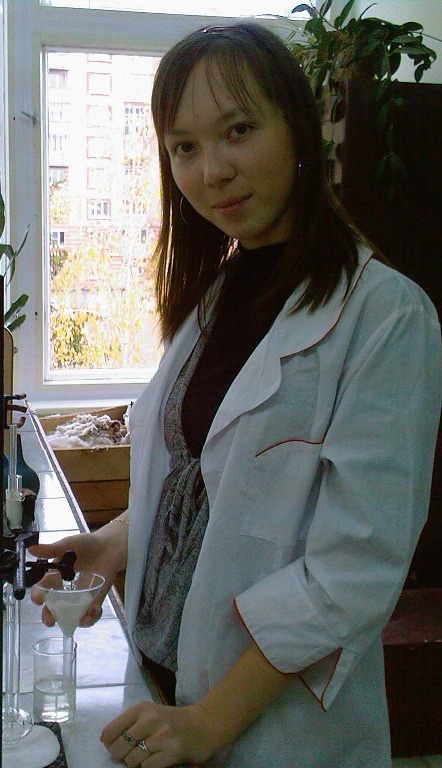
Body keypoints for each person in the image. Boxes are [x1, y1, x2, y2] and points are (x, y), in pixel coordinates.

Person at [30, 21, 442, 768]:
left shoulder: (386, 316)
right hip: (161, 689)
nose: (212, 170)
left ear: (298, 129)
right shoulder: (216, 296)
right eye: (184, 146)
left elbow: (355, 568)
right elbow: (205, 483)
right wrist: (111, 545)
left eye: (239, 131)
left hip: (268, 727)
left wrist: (210, 722)